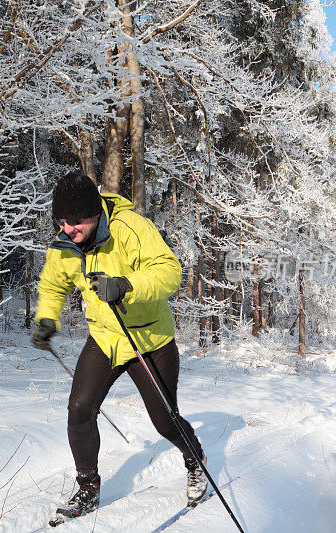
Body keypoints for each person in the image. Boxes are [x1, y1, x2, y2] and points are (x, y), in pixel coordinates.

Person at [32, 170, 207, 522]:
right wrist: (47, 316)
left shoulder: (130, 228)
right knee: (79, 410)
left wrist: (126, 284)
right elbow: (53, 284)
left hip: (149, 340)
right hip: (106, 339)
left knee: (164, 420)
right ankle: (88, 489)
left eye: (75, 221)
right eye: (62, 221)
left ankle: (195, 461)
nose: (68, 228)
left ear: (95, 213)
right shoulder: (66, 244)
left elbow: (170, 272)